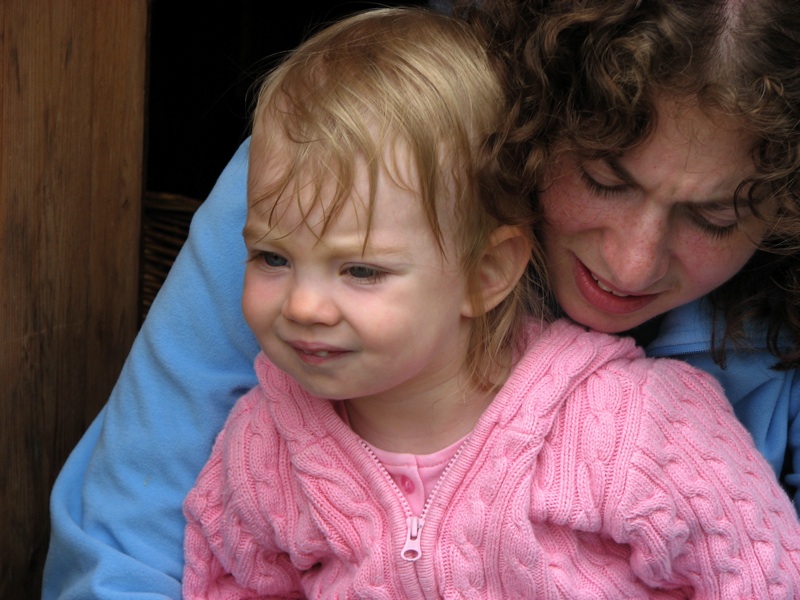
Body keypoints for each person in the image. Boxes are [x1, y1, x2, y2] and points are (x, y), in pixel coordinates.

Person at [43, 1, 800, 598]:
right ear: (532, 121)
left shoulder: (657, 416)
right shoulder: (336, 181)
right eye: (604, 179)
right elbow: (131, 542)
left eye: (715, 218)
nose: (631, 259)